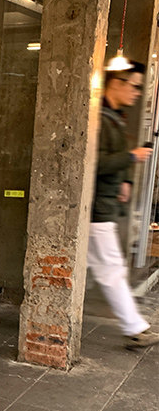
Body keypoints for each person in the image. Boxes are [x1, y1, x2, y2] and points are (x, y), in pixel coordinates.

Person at [88, 63, 158, 348]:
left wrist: (125, 179)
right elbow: (96, 162)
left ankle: (134, 326)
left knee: (107, 269)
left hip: (103, 206)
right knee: (111, 270)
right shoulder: (101, 119)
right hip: (97, 210)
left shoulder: (114, 116)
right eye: (135, 86)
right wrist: (132, 157)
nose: (137, 92)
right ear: (117, 82)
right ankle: (135, 328)